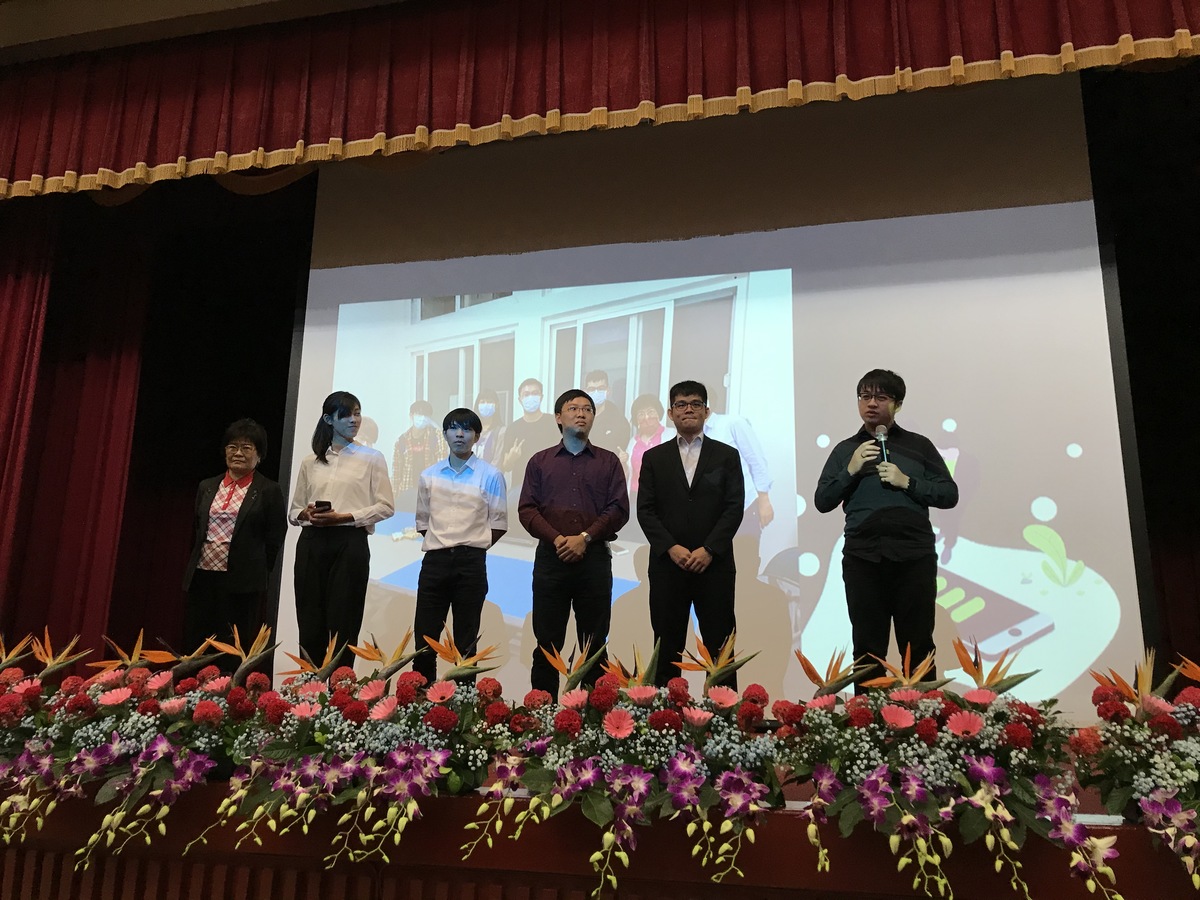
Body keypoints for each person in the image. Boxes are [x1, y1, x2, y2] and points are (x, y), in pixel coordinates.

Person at [815, 369, 958, 689]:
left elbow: (949, 493)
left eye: (881, 397)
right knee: (867, 647)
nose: (871, 404)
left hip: (914, 557)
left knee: (918, 645)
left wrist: (907, 482)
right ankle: (868, 724)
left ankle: (922, 722)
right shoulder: (845, 450)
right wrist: (849, 471)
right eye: (865, 396)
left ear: (899, 404)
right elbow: (822, 501)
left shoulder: (919, 446)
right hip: (863, 558)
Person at [519, 389, 629, 698]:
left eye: (587, 409)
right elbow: (527, 509)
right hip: (550, 561)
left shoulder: (608, 462)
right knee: (547, 645)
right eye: (573, 408)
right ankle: (541, 716)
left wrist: (585, 538)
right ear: (558, 417)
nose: (581, 413)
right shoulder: (540, 462)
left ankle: (594, 721)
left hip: (593, 560)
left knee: (593, 646)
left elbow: (618, 509)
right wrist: (558, 539)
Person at [637, 381, 745, 686]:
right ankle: (664, 721)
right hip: (668, 566)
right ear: (670, 413)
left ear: (707, 411)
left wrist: (709, 549)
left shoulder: (726, 456)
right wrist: (670, 547)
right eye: (681, 404)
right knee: (666, 646)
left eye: (696, 404)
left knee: (720, 647)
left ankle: (723, 719)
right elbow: (645, 510)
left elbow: (733, 508)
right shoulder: (654, 458)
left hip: (715, 566)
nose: (689, 409)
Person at [290, 391, 394, 669]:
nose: (354, 419)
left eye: (357, 413)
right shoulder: (310, 462)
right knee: (310, 622)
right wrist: (305, 513)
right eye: (347, 414)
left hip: (350, 542)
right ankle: (307, 692)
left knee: (344, 624)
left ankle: (340, 695)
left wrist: (346, 517)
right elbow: (293, 510)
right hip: (312, 541)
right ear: (328, 419)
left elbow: (386, 506)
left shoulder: (372, 457)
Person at [412, 408, 507, 683]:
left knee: (465, 641)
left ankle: (464, 706)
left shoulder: (491, 475)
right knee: (425, 639)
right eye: (454, 428)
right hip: (434, 563)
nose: (460, 434)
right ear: (444, 434)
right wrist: (445, 545)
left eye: (467, 429)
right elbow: (422, 522)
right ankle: (420, 701)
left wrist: (470, 548)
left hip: (471, 563)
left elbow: (499, 524)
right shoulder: (429, 475)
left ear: (476, 436)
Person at [182, 419, 287, 657]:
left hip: (243, 581)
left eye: (246, 448)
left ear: (259, 455)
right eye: (232, 447)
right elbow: (197, 529)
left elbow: (275, 537)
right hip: (203, 576)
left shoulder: (269, 490)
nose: (238, 453)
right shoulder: (207, 486)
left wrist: (256, 567)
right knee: (197, 641)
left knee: (234, 645)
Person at [501, 377, 560, 492]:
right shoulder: (513, 428)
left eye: (535, 393)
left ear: (541, 397)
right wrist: (512, 459)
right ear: (520, 399)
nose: (530, 397)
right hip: (521, 488)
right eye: (526, 394)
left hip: (550, 487)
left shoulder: (554, 423)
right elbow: (506, 466)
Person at [392, 400, 441, 509]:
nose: (422, 418)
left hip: (429, 492)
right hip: (407, 491)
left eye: (426, 415)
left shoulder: (436, 436)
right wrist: (394, 496)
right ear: (411, 415)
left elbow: (442, 465)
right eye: (419, 414)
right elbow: (396, 472)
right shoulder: (402, 440)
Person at [626, 393, 670, 493]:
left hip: (663, 495)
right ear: (637, 421)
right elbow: (628, 472)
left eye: (651, 412)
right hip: (636, 495)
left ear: (658, 414)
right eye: (641, 414)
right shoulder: (633, 442)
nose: (646, 417)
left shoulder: (672, 436)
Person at [584, 369, 631, 455]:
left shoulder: (619, 421)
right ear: (585, 392)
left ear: (608, 391)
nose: (596, 392)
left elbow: (620, 451)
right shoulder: (576, 419)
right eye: (592, 389)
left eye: (601, 388)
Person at [473, 388, 506, 466]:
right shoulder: (470, 430)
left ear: (496, 405)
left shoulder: (501, 432)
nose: (486, 405)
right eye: (482, 402)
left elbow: (497, 462)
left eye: (489, 401)